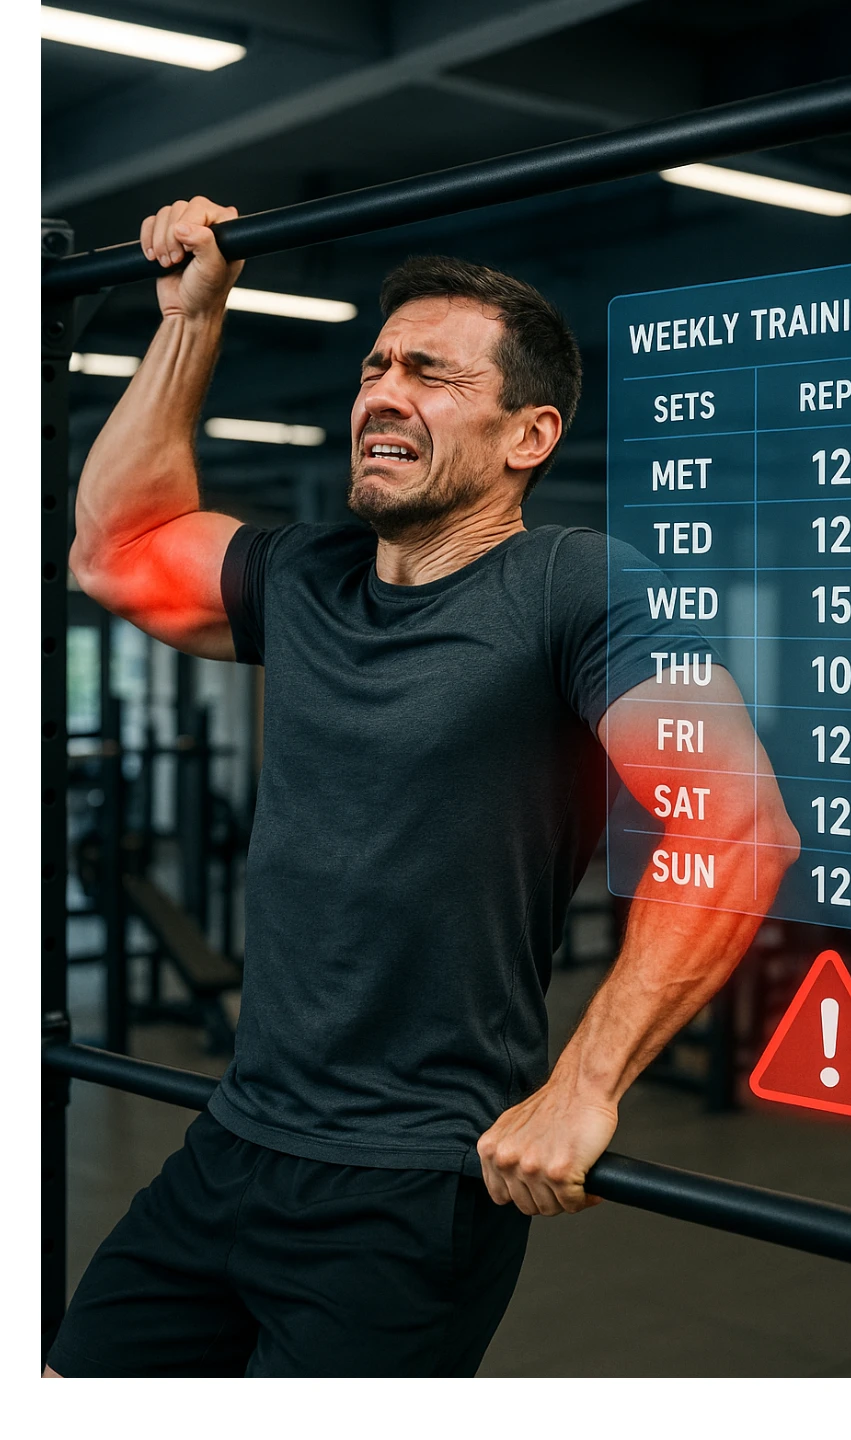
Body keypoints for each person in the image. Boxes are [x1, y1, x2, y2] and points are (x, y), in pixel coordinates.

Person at [45, 196, 799, 1378]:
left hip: (410, 1186)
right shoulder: (304, 574)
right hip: (234, 1140)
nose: (383, 392)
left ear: (529, 437)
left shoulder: (575, 585)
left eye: (433, 375)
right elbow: (116, 550)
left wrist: (583, 1087)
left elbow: (736, 823)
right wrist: (193, 318)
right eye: (376, 365)